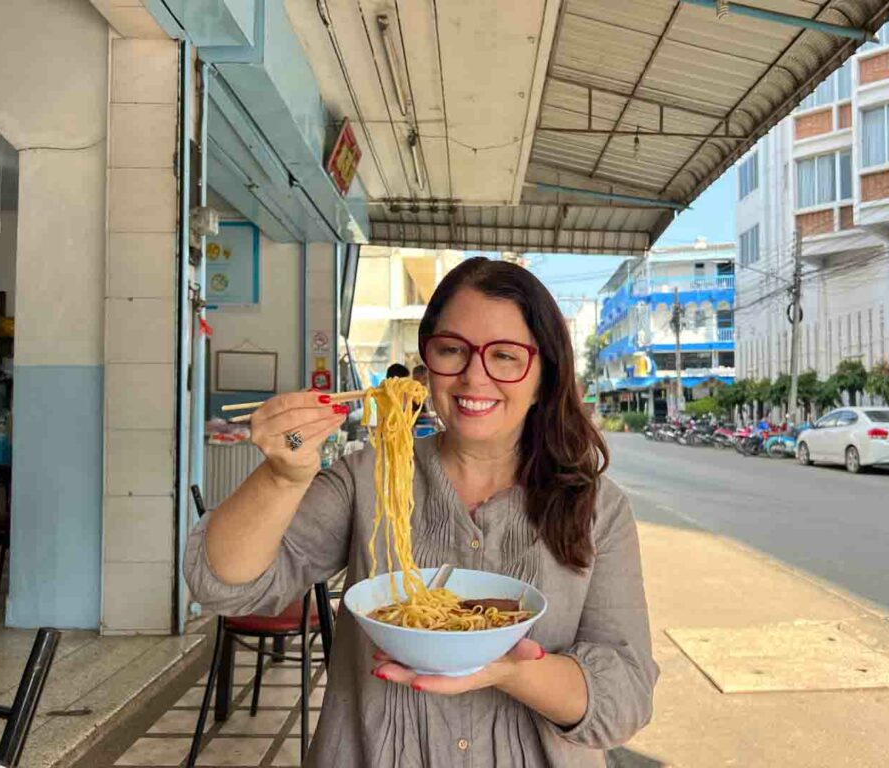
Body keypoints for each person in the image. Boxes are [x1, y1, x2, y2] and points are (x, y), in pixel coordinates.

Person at [184, 257, 658, 767]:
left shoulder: (597, 509)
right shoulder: (365, 477)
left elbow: (626, 695)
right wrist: (280, 477)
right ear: (427, 364)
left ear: (544, 374)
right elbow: (221, 584)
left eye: (505, 356)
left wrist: (511, 672)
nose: (475, 377)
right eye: (452, 350)